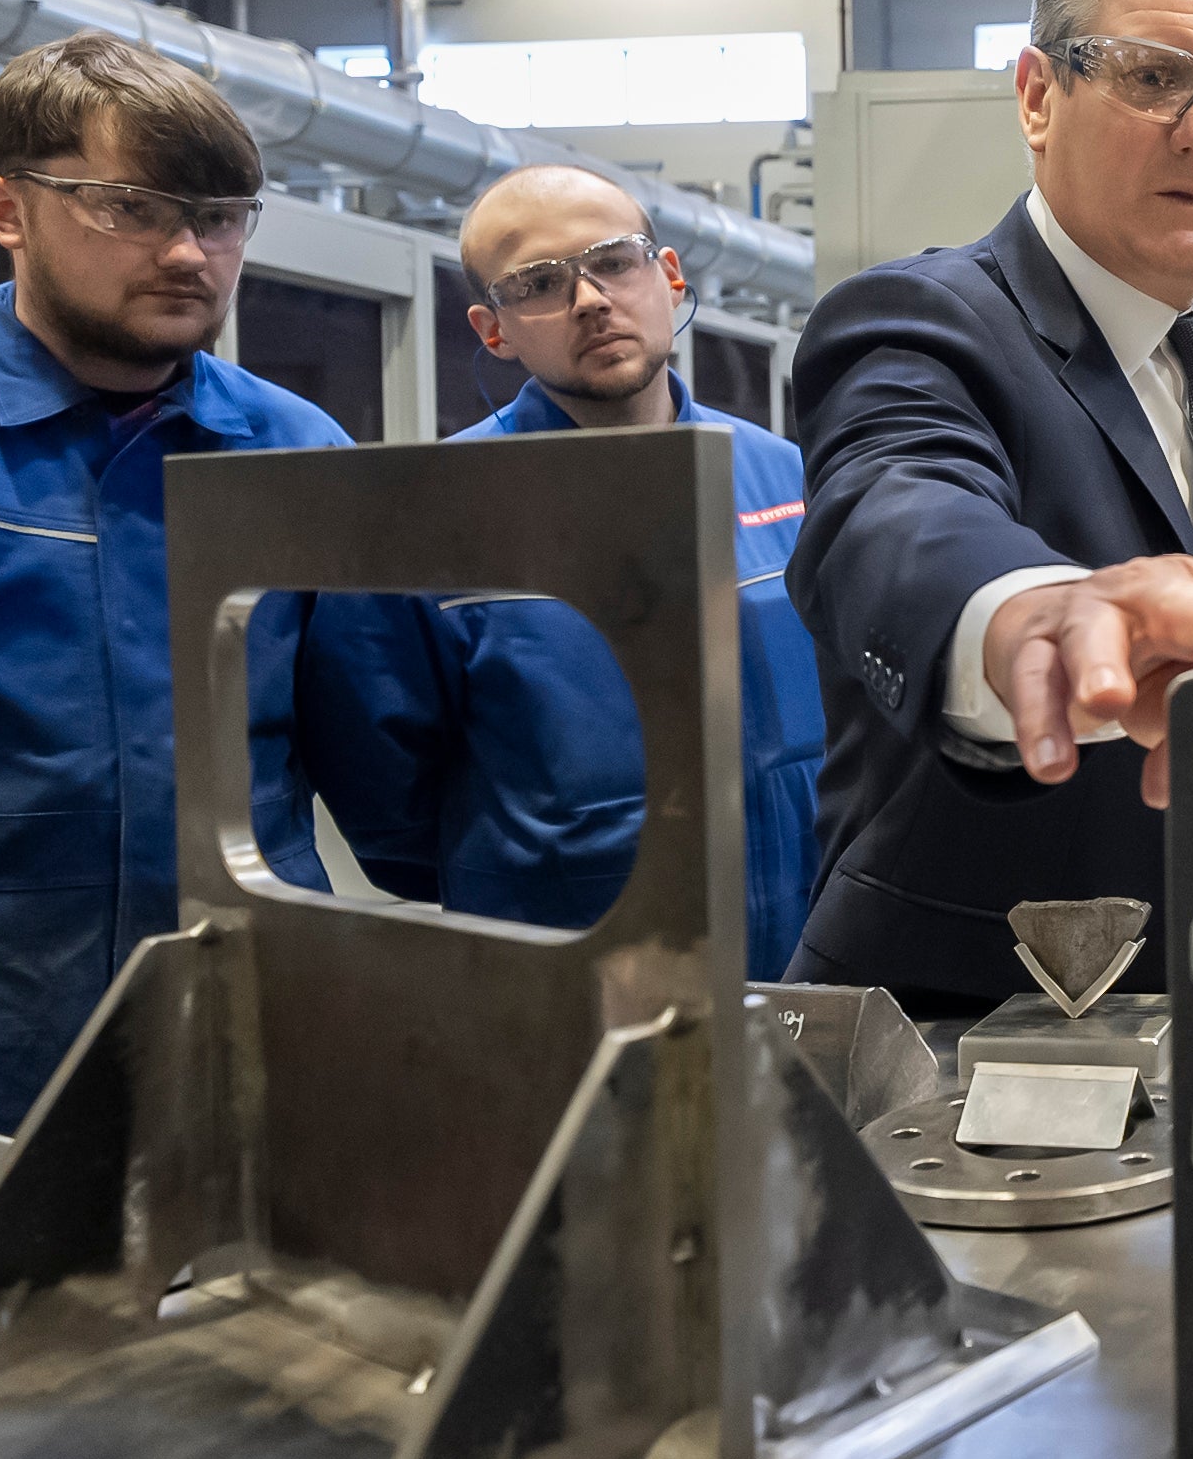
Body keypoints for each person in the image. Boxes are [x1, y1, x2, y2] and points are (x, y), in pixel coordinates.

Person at [783, 0, 1193, 1011]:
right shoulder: (924, 322)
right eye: (1153, 77)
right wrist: (1033, 613)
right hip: (961, 1052)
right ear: (1038, 94)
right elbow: (897, 508)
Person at [0, 30, 347, 1259]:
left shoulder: (296, 454)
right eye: (130, 207)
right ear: (5, 208)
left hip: (244, 1024)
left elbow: (387, 757)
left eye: (222, 216)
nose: (189, 254)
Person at [297, 164, 825, 979]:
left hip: (803, 960)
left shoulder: (785, 480)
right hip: (566, 986)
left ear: (669, 276)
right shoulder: (421, 521)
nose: (589, 299)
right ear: (493, 328)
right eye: (539, 282)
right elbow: (387, 815)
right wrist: (548, 878)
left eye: (615, 261)